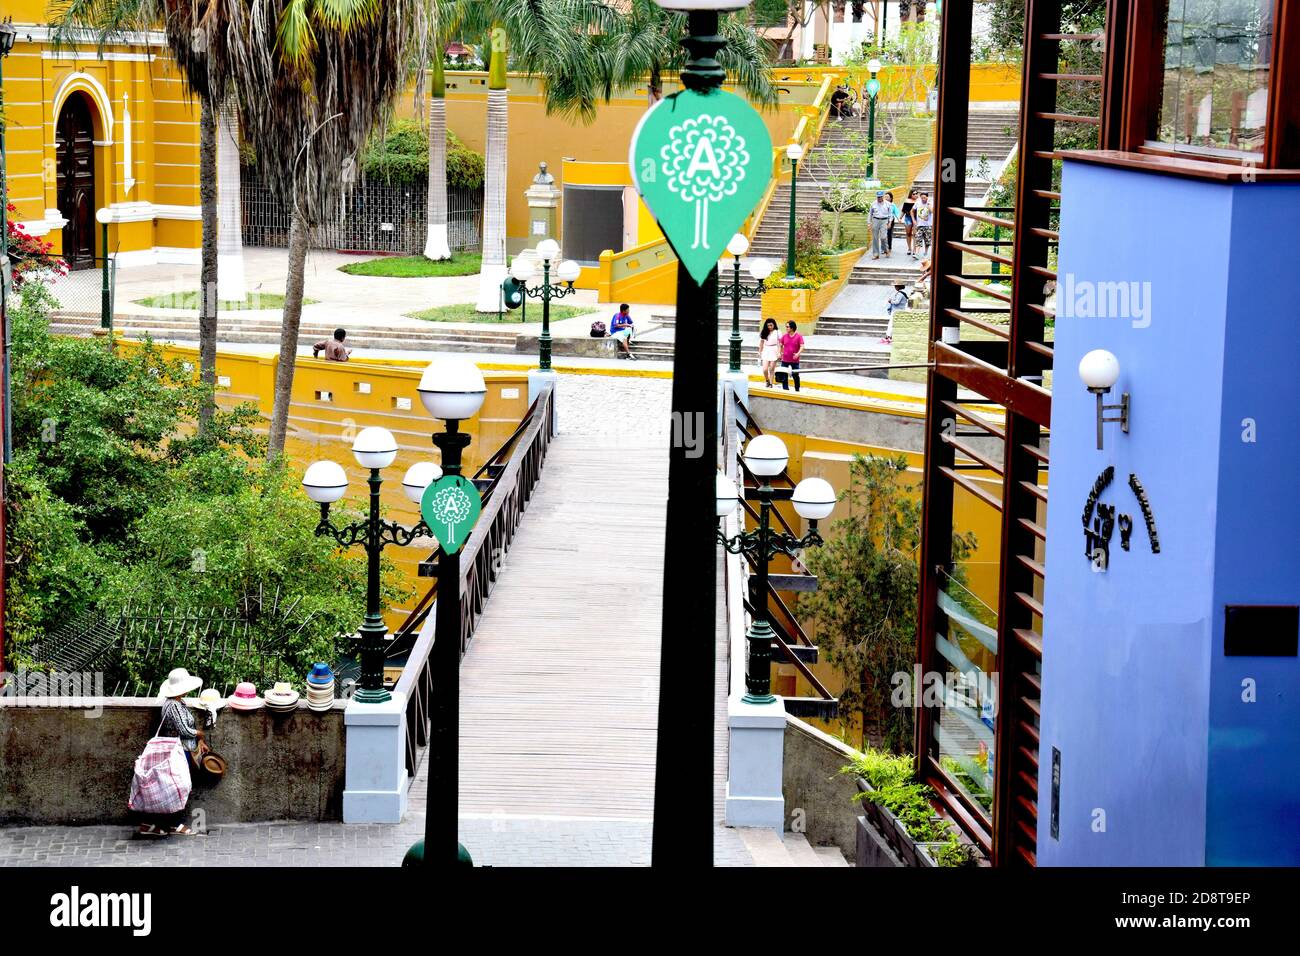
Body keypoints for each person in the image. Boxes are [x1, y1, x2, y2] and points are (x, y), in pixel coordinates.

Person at [134, 667, 212, 838]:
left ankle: (162, 824)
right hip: (178, 751)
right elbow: (184, 729)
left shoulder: (178, 703)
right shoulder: (173, 706)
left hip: (183, 749)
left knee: (172, 787)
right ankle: (172, 824)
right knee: (177, 787)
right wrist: (199, 733)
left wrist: (199, 741)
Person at [778, 320, 804, 392]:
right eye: (786, 327)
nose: (786, 328)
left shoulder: (799, 336)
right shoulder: (784, 336)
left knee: (795, 375)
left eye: (787, 327)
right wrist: (779, 353)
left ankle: (797, 389)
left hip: (795, 360)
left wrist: (798, 354)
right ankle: (785, 389)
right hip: (785, 359)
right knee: (784, 375)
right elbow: (780, 345)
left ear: (792, 328)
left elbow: (802, 346)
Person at [869, 191, 893, 260]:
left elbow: (890, 214)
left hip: (884, 220)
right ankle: (876, 254)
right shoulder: (873, 204)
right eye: (878, 197)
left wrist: (890, 222)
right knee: (875, 238)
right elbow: (870, 214)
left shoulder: (888, 204)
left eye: (880, 197)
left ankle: (886, 250)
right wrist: (869, 223)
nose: (879, 198)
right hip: (875, 220)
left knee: (883, 237)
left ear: (883, 197)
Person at [758, 318, 781, 388]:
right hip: (766, 350)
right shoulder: (764, 332)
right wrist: (760, 352)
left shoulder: (777, 332)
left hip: (774, 349)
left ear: (774, 324)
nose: (770, 327)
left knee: (771, 368)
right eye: (768, 325)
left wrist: (779, 352)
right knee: (765, 369)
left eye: (771, 325)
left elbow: (779, 343)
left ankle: (771, 383)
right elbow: (761, 343)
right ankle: (767, 380)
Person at [913, 192, 933, 258]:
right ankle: (917, 253)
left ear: (927, 197)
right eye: (922, 198)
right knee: (918, 238)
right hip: (919, 225)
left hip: (928, 225)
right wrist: (914, 220)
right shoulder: (918, 203)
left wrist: (928, 204)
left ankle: (926, 253)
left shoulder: (930, 203)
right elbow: (912, 210)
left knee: (927, 240)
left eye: (924, 198)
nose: (923, 199)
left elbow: (932, 211)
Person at [902, 189, 918, 256]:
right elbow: (903, 210)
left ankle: (914, 250)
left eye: (916, 193)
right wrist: (900, 218)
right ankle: (909, 248)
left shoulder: (919, 201)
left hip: (916, 218)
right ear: (910, 194)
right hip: (908, 218)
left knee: (915, 234)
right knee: (908, 233)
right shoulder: (907, 201)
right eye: (913, 194)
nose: (915, 195)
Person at [885, 191, 900, 256]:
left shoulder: (892, 205)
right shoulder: (883, 204)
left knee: (889, 234)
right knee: (883, 234)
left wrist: (899, 219)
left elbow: (896, 212)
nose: (886, 198)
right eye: (885, 197)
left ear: (891, 198)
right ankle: (884, 248)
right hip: (883, 220)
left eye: (887, 197)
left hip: (891, 220)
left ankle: (889, 247)